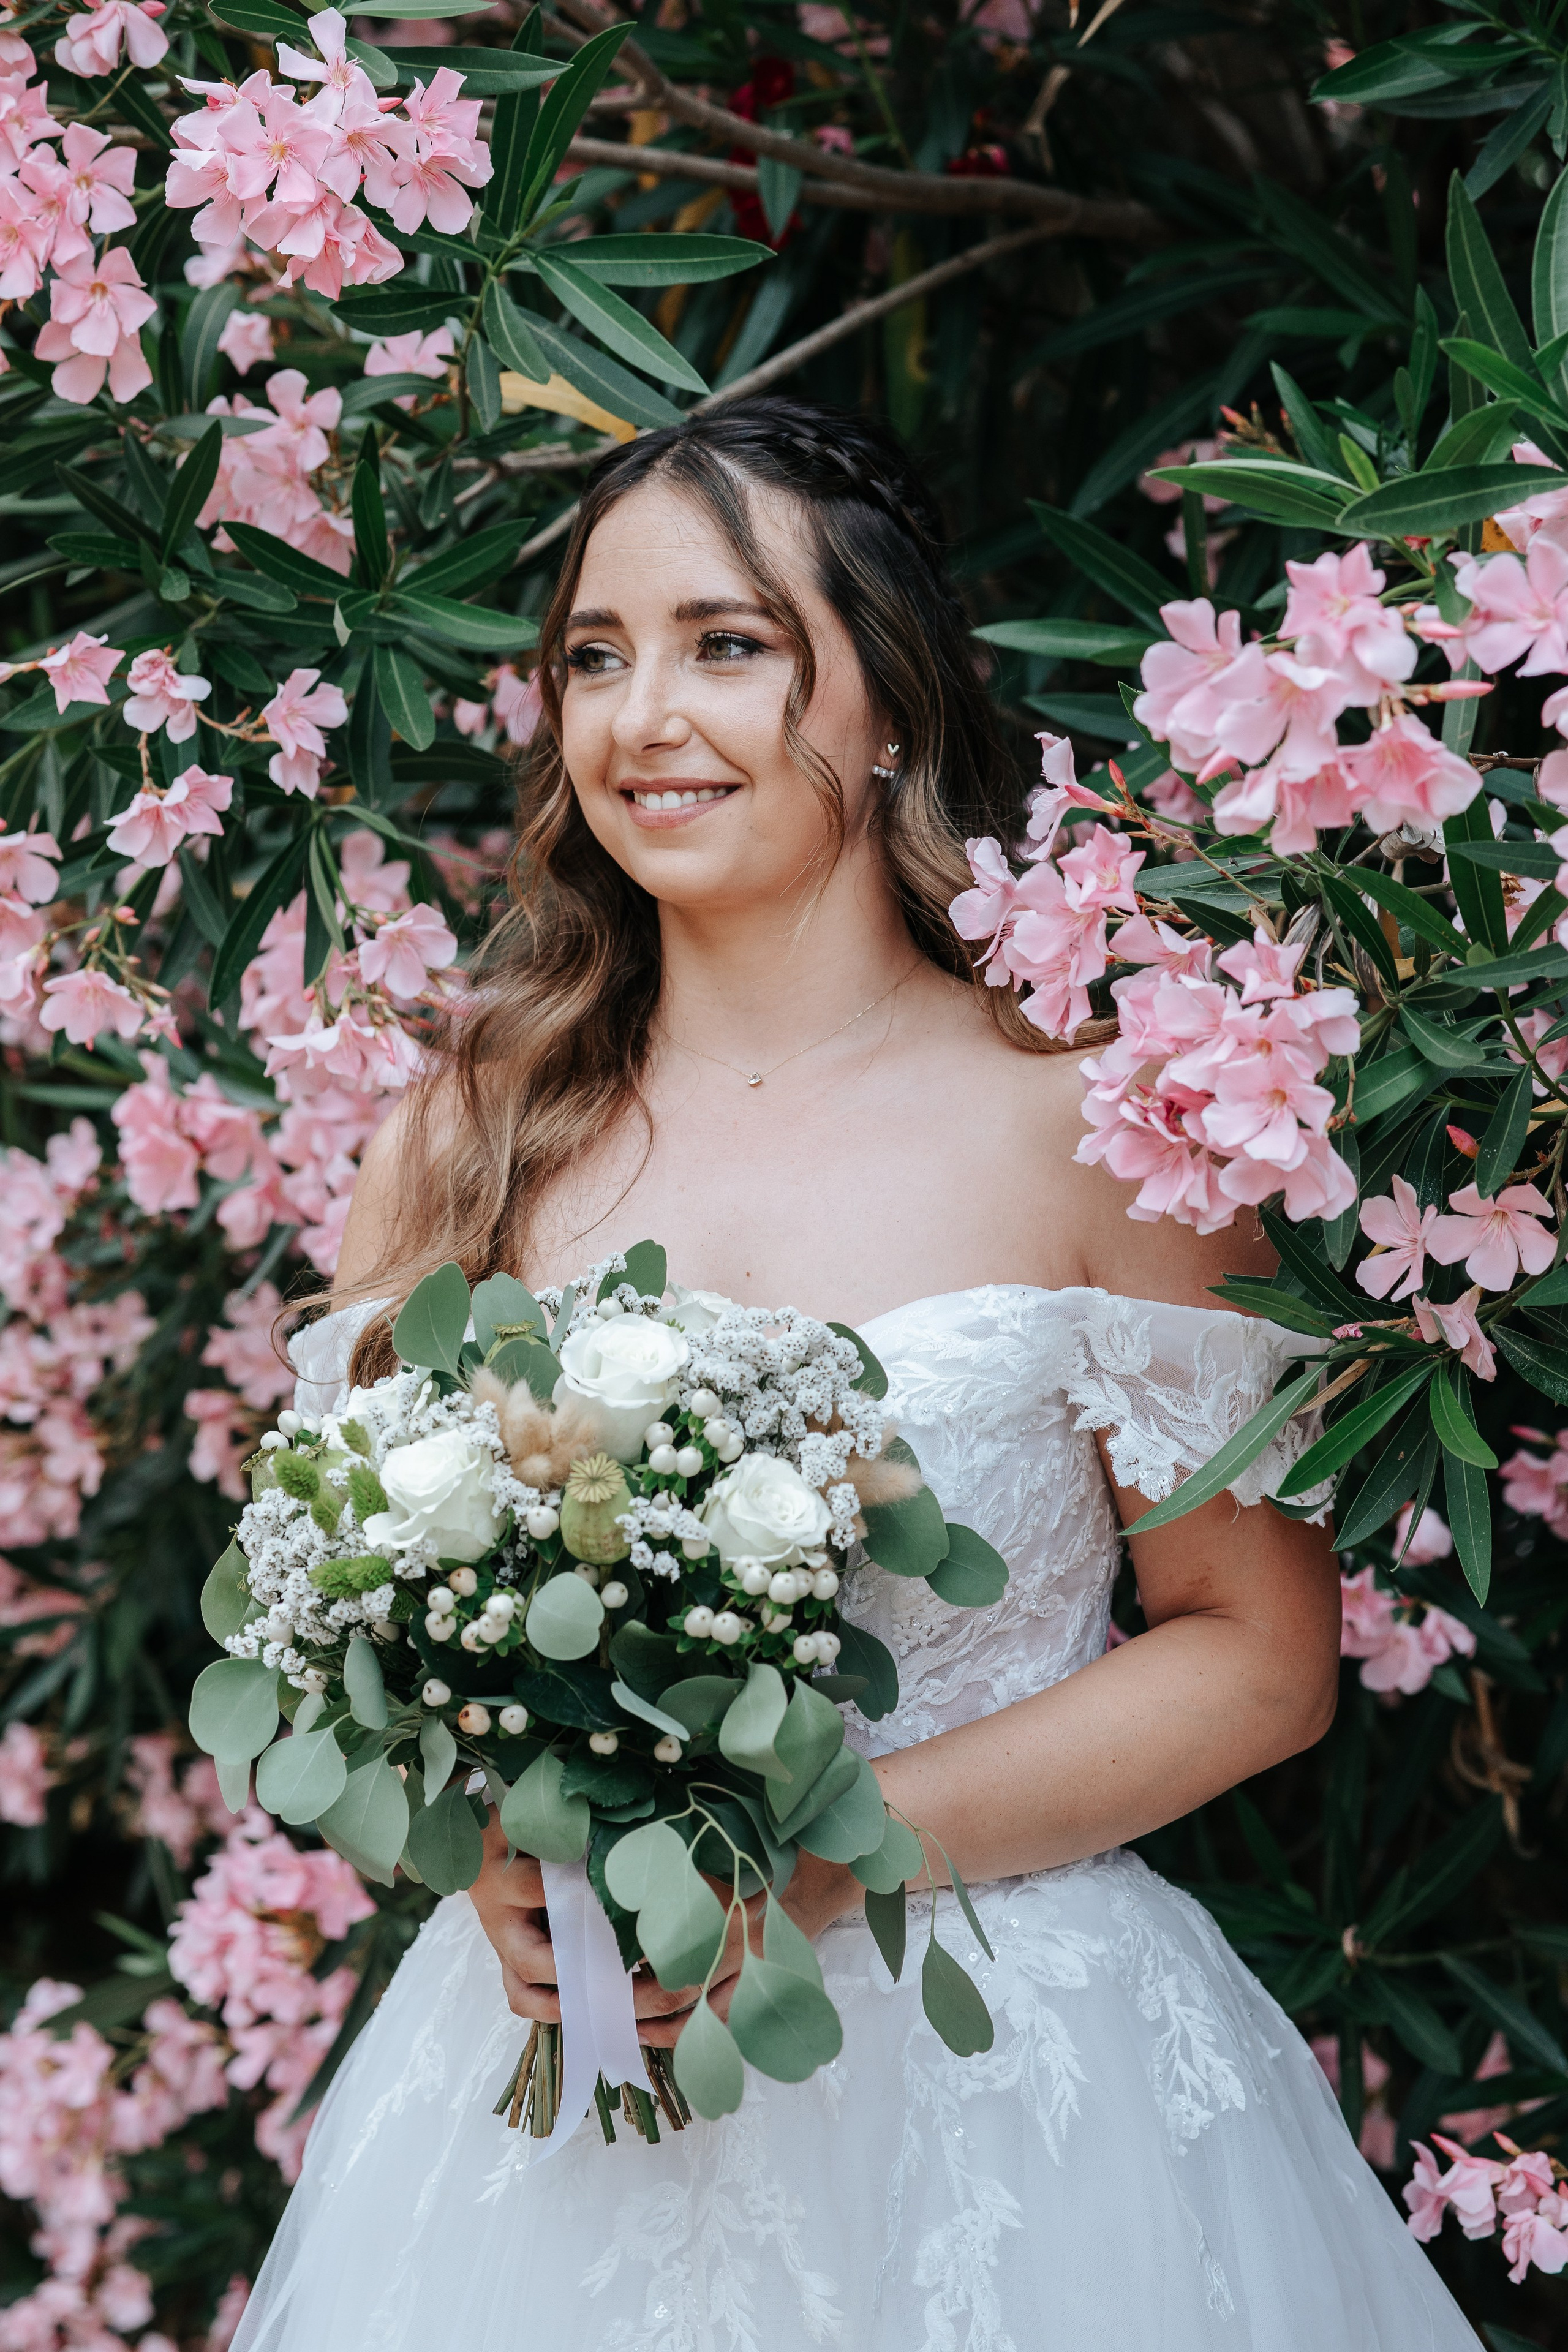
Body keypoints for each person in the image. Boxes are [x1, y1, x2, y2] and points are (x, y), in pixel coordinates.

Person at [233, 396, 1476, 2350]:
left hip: (1010, 2108)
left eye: (727, 644)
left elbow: (1257, 1653)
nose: (644, 717)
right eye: (595, 656)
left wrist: (815, 1858)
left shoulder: (1097, 1125)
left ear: (889, 698)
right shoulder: (466, 1141)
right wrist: (487, 1854)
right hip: (550, 2118)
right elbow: (357, 1643)